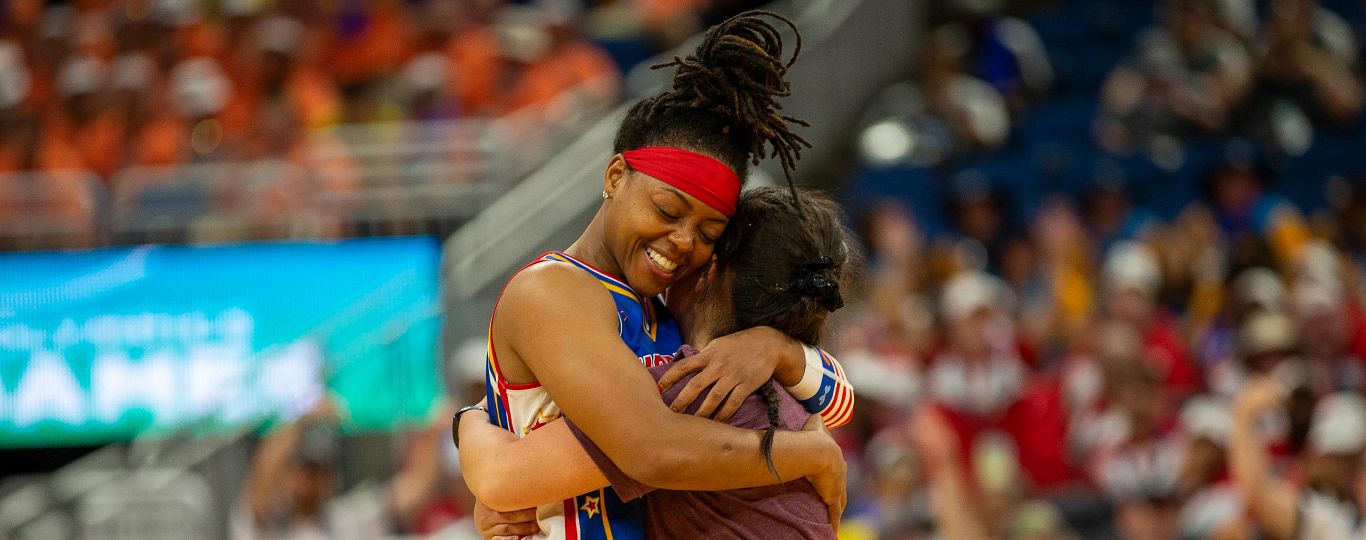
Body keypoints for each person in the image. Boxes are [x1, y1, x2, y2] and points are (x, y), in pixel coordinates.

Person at [459, 11, 851, 540]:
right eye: (667, 211)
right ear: (617, 176)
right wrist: (805, 452)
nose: (685, 241)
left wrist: (774, 348)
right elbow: (651, 449)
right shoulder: (553, 290)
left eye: (709, 232)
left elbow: (839, 398)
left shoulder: (665, 317)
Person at [461, 186, 854, 538]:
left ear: (709, 272)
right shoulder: (787, 385)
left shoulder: (693, 386)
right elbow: (842, 400)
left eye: (704, 240)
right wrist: (779, 350)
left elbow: (501, 476)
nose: (679, 255)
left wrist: (468, 421)